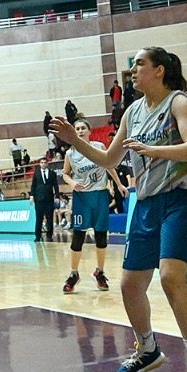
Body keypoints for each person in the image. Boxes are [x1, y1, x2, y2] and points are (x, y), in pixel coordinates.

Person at [54, 47, 187, 372]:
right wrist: (75, 140)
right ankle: (147, 349)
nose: (132, 71)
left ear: (159, 70)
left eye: (139, 66)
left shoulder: (178, 101)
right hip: (146, 204)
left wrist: (153, 150)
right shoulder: (132, 112)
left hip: (180, 199)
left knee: (171, 278)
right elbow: (109, 159)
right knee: (130, 285)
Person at [61, 119, 121, 293]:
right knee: (78, 237)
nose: (79, 131)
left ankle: (100, 272)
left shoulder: (99, 147)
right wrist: (72, 182)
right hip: (82, 198)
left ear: (89, 131)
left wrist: (119, 184)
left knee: (101, 236)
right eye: (77, 128)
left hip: (100, 195)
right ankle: (74, 274)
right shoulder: (70, 154)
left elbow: (109, 166)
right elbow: (65, 174)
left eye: (82, 128)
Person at [30, 156, 60, 241]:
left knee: (49, 218)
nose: (43, 164)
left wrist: (57, 196)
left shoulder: (52, 173)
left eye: (45, 162)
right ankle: (37, 236)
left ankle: (49, 235)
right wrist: (31, 196)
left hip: (49, 199)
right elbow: (33, 185)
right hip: (38, 199)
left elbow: (56, 186)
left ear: (47, 163)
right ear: (39, 164)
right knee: (39, 218)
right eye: (41, 163)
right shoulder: (36, 173)